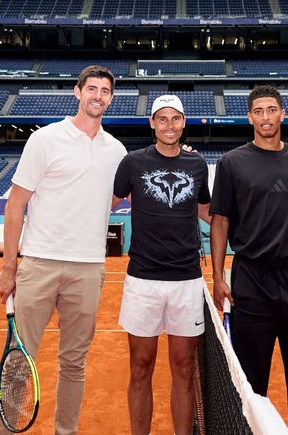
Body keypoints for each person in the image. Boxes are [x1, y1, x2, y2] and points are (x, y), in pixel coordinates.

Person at [0, 65, 127, 435]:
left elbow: (112, 199)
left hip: (88, 269)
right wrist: (8, 267)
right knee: (19, 361)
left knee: (74, 363)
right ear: (77, 92)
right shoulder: (45, 139)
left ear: (111, 99)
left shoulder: (117, 151)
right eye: (92, 89)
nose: (98, 96)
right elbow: (15, 204)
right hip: (40, 264)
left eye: (105, 91)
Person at [210, 85, 288, 434]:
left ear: (282, 114)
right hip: (250, 276)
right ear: (250, 117)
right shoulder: (232, 162)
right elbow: (220, 221)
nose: (265, 117)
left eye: (271, 110)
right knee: (249, 377)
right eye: (259, 111)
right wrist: (218, 277)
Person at [112, 95, 211, 435]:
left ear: (184, 123)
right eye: (162, 119)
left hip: (187, 280)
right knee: (140, 367)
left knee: (183, 368)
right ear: (152, 123)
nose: (169, 125)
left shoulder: (197, 165)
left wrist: (250, 230)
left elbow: (205, 210)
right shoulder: (132, 163)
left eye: (176, 118)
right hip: (143, 280)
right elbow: (106, 203)